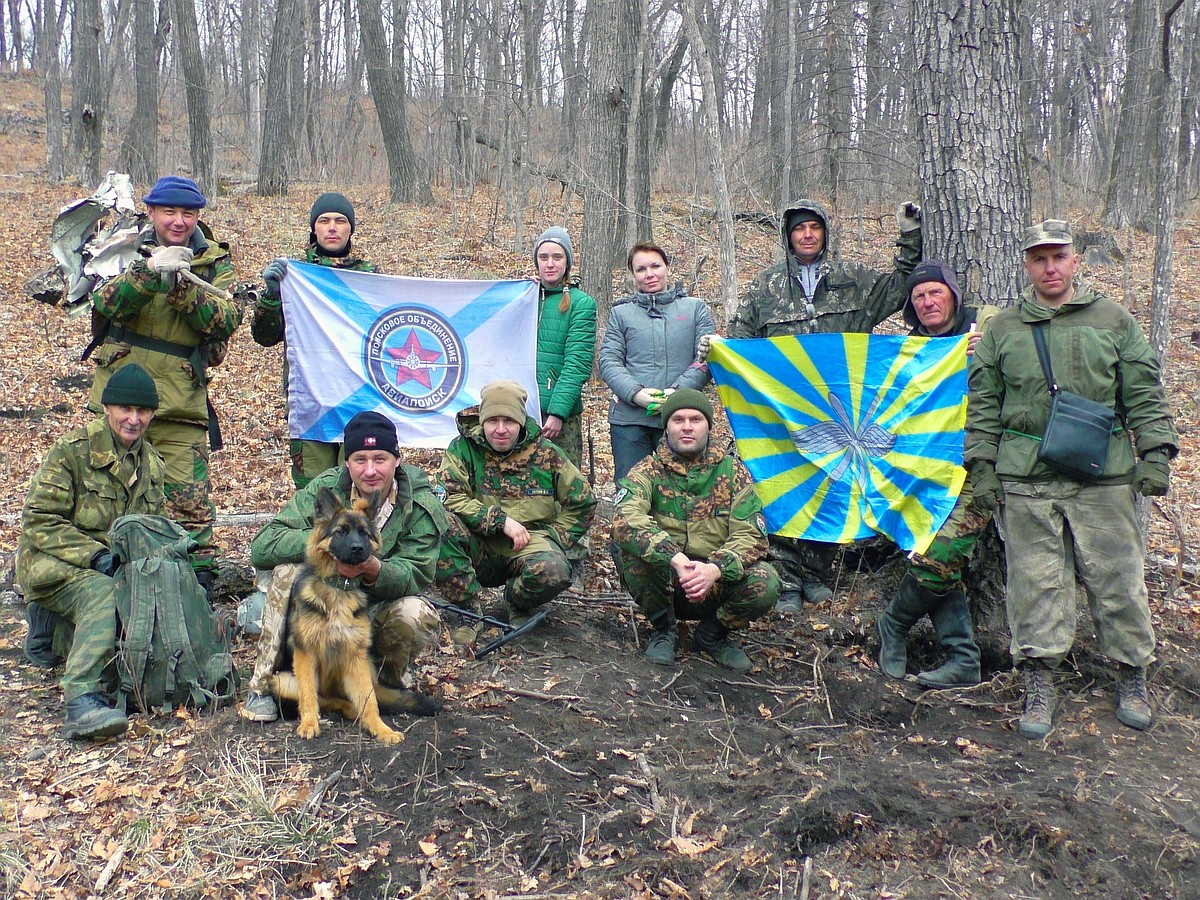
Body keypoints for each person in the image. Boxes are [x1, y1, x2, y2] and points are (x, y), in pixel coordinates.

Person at [965, 219, 1177, 738]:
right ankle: (1039, 683)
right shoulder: (1004, 328)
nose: (1050, 268)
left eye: (1058, 257)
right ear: (1026, 265)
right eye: (1039, 259)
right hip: (1026, 480)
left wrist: (1155, 452)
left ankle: (1132, 675)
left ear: (1076, 260)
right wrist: (982, 466)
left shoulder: (1114, 320)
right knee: (1035, 585)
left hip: (1101, 476)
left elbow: (1143, 392)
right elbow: (984, 403)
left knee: (1119, 579)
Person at [723, 199, 922, 612]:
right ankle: (785, 576)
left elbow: (900, 287)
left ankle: (815, 573)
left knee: (832, 486)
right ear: (788, 236)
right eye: (799, 229)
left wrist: (910, 236)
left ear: (825, 233)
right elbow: (739, 338)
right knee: (784, 484)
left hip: (841, 410)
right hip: (784, 410)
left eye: (814, 227)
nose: (807, 234)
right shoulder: (767, 287)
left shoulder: (852, 278)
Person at [85, 175, 242, 588]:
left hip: (180, 400)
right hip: (121, 394)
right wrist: (148, 273)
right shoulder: (122, 247)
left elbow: (227, 320)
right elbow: (102, 301)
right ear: (151, 212)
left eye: (187, 213)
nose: (178, 221)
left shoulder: (215, 262)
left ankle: (199, 585)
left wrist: (183, 288)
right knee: (105, 489)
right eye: (169, 212)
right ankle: (101, 576)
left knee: (188, 501)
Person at [240, 411, 446, 723]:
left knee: (415, 613)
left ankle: (380, 685)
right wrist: (324, 545)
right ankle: (263, 686)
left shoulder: (418, 503)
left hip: (372, 609)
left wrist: (374, 569)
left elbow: (416, 573)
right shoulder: (326, 488)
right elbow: (264, 545)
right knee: (286, 574)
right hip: (320, 609)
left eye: (380, 459)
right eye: (360, 459)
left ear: (397, 460)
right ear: (347, 462)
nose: (371, 470)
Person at [17, 365, 166, 740]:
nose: (134, 420)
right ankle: (82, 699)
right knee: (103, 594)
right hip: (54, 564)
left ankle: (53, 631)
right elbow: (39, 522)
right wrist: (94, 556)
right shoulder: (72, 453)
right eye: (125, 409)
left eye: (143, 411)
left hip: (111, 568)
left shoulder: (152, 466)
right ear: (107, 408)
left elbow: (153, 528)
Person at [876, 261, 998, 689]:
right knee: (939, 555)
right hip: (925, 470)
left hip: (980, 467)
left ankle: (893, 624)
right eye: (918, 297)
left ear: (953, 293)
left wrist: (987, 351)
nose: (928, 302)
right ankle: (963, 655)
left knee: (941, 554)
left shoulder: (988, 324)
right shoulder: (913, 347)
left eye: (935, 292)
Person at [611, 389, 779, 673]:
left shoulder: (732, 473)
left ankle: (711, 635)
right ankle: (664, 630)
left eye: (696, 419)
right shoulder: (648, 470)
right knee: (633, 554)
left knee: (767, 580)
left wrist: (715, 569)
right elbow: (625, 518)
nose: (687, 427)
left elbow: (752, 534)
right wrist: (673, 558)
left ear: (708, 425)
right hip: (666, 582)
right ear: (666, 427)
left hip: (716, 585)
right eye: (678, 419)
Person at [436, 380, 596, 639]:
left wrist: (554, 537)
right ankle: (469, 610)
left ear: (521, 422)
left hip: (528, 546)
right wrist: (499, 521)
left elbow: (583, 503)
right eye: (492, 421)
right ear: (482, 421)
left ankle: (517, 601)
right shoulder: (463, 449)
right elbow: (448, 497)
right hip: (480, 544)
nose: (501, 430)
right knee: (438, 524)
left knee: (555, 570)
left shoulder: (546, 454)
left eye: (509, 421)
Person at [253, 193, 379, 489]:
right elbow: (265, 336)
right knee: (315, 493)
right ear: (314, 228)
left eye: (340, 221)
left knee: (361, 486)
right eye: (324, 221)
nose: (332, 227)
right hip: (311, 399)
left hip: (360, 399)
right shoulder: (294, 274)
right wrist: (272, 297)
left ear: (351, 229)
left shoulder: (371, 277)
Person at [598, 242, 715, 482]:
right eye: (641, 269)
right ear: (633, 275)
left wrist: (678, 393)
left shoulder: (695, 309)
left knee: (681, 488)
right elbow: (609, 360)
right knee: (631, 488)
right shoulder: (622, 314)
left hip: (681, 417)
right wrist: (635, 393)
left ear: (667, 268)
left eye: (655, 266)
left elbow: (706, 359)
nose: (649, 274)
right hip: (629, 420)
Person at [531, 227, 597, 470]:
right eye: (543, 257)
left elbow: (577, 364)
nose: (550, 264)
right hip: (521, 410)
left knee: (564, 487)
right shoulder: (526, 296)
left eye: (557, 257)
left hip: (559, 416)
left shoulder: (581, 304)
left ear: (567, 262)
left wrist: (557, 412)